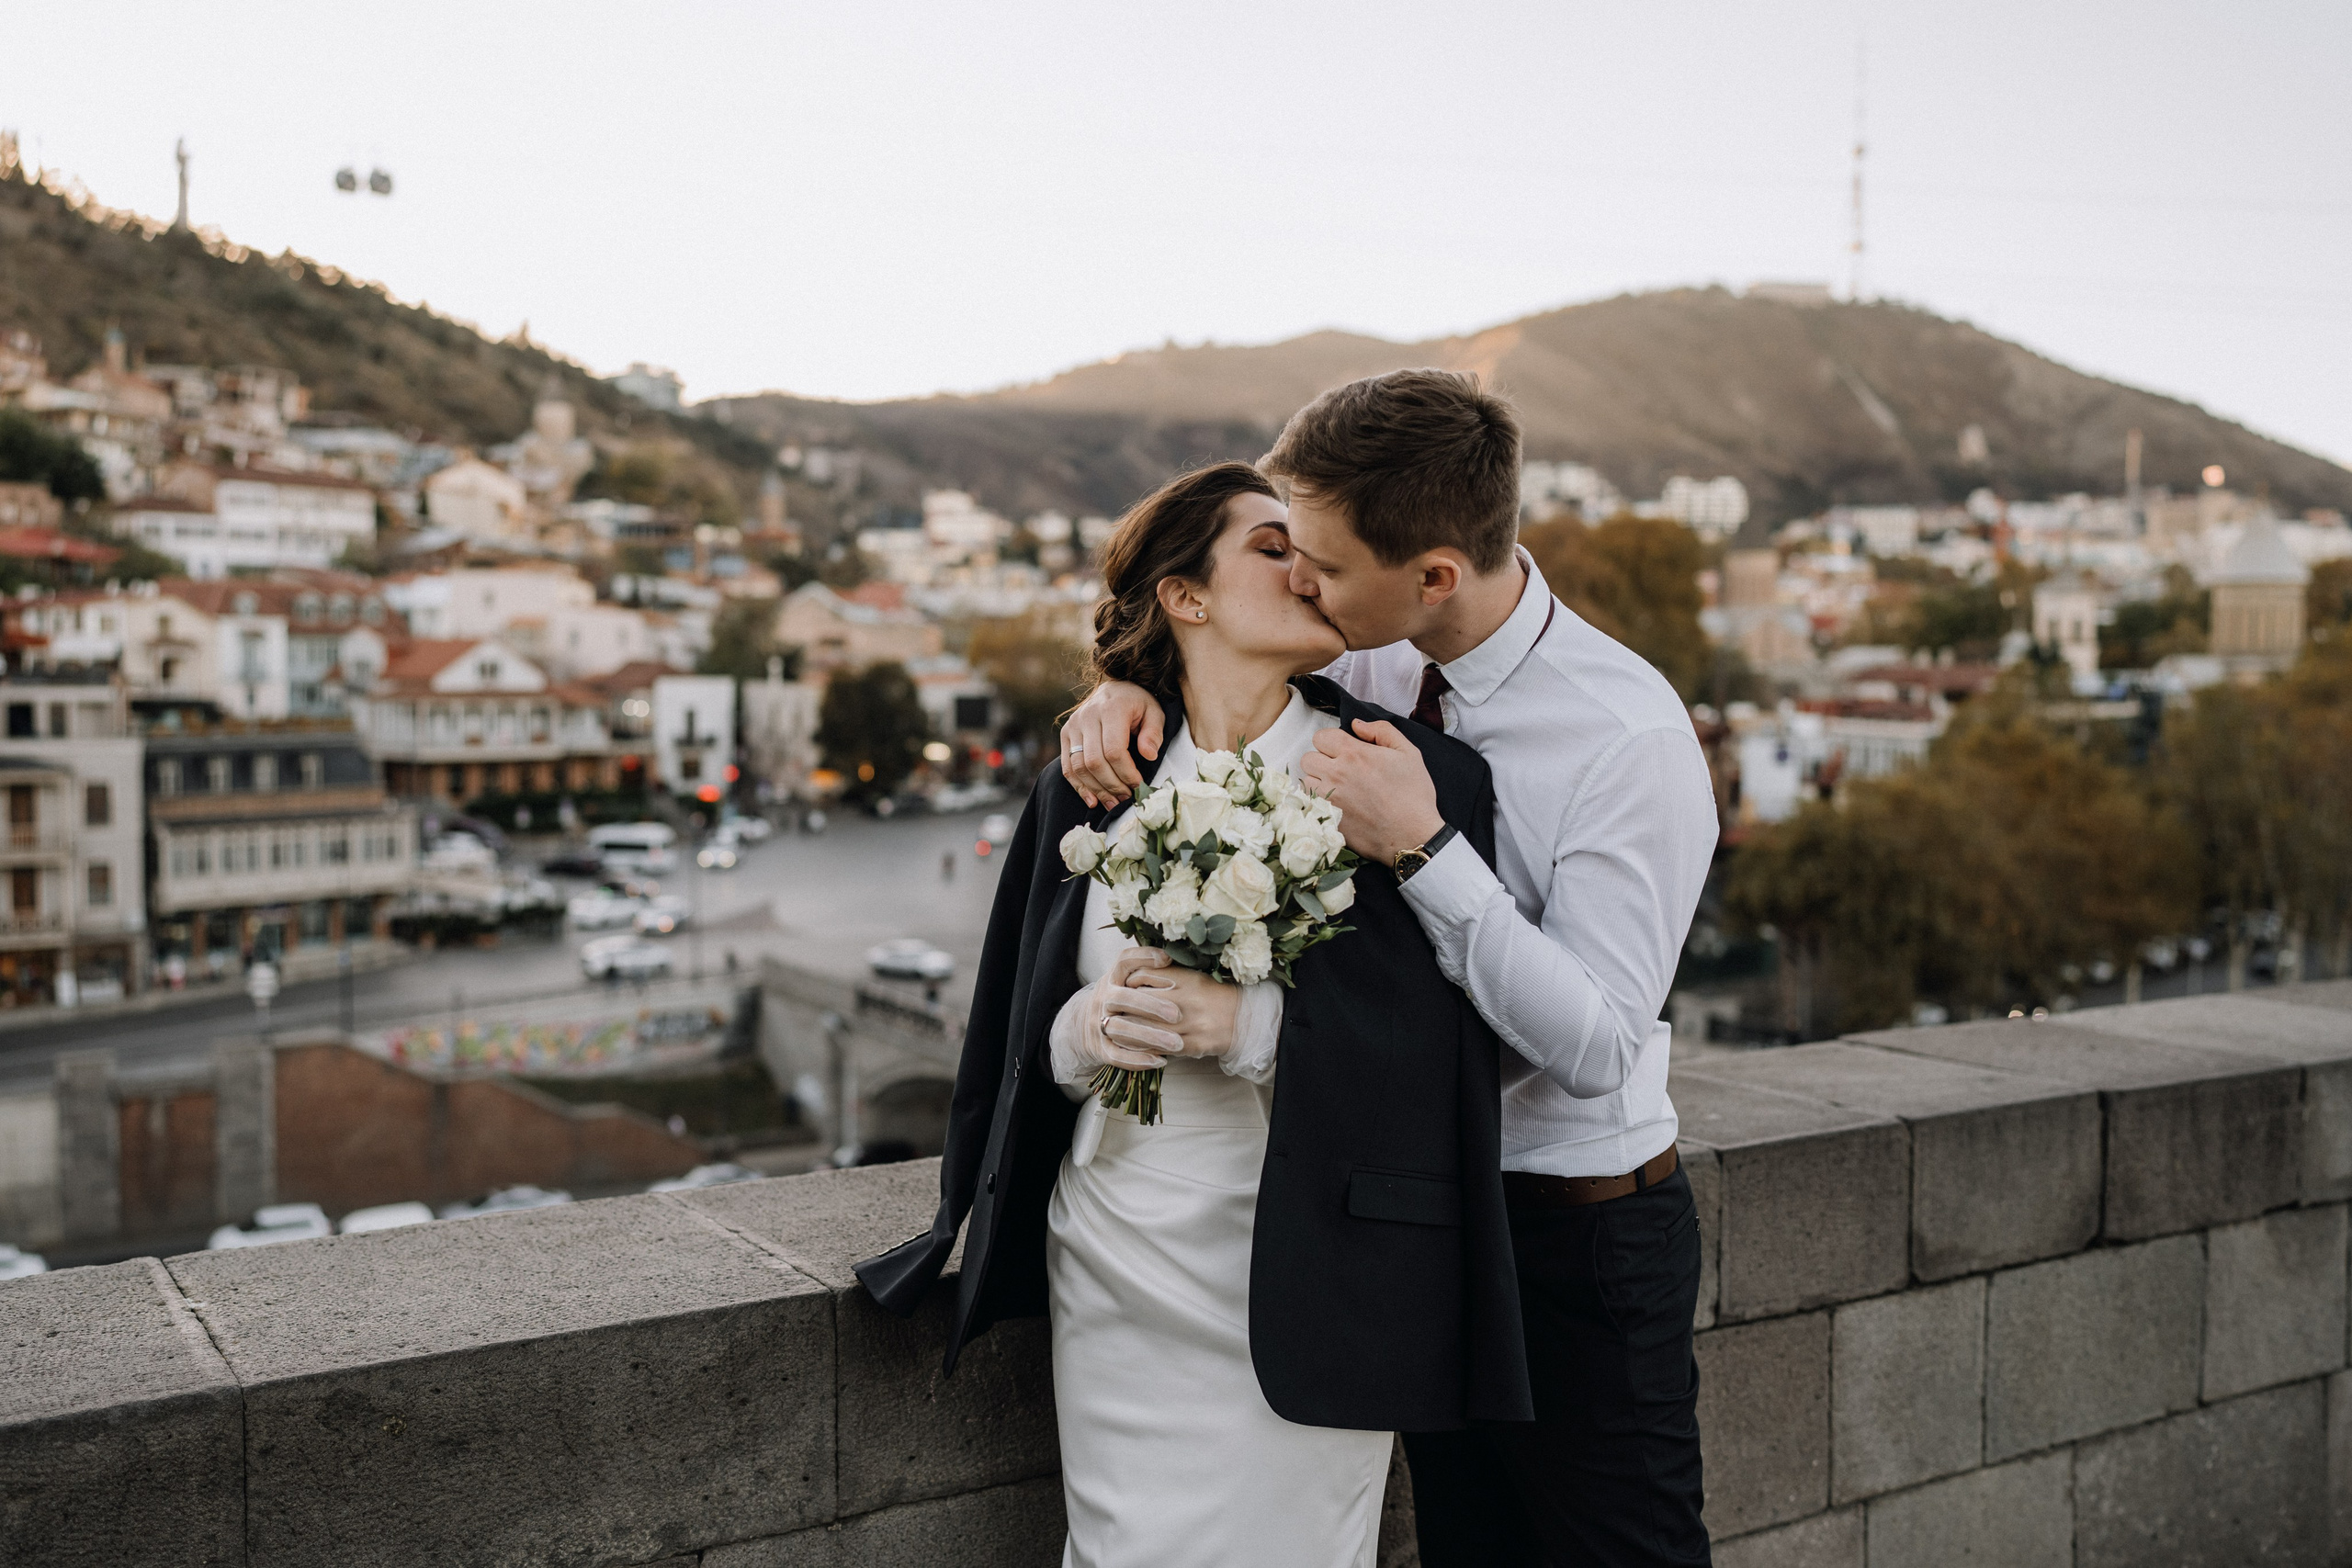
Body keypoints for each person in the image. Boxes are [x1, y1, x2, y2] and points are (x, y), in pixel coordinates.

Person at [1058, 371, 1721, 1567]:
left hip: (1570, 1234)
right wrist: (1122, 690)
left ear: (1434, 575)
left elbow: (1599, 1046)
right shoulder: (1367, 660)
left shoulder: (1630, 737)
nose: (1299, 580)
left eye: (1320, 559)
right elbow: (1227, 676)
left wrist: (1426, 850)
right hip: (1405, 1221)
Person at [857, 462, 1532, 1568]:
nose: (1308, 569)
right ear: (1186, 598)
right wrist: (1085, 1035)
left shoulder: (1410, 777)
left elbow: (1448, 1061)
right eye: (1274, 548)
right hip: (1116, 1253)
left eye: (1313, 550)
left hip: (1315, 1266)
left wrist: (1248, 1030)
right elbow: (1011, 1031)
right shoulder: (1092, 778)